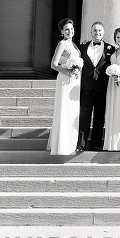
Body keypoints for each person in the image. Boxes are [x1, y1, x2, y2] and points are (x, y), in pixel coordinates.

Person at [77, 22, 114, 151]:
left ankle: (96, 144)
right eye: (94, 30)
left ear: (103, 32)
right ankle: (81, 144)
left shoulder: (111, 48)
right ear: (91, 32)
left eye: (99, 31)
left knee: (99, 117)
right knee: (84, 117)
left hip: (102, 88)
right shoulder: (82, 48)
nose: (97, 33)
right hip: (86, 88)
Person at [48, 18, 81, 155]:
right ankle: (62, 145)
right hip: (65, 80)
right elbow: (54, 64)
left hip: (75, 81)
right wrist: (68, 72)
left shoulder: (73, 45)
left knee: (72, 111)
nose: (70, 31)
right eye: (67, 29)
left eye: (71, 29)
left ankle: (71, 143)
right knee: (65, 110)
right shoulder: (62, 44)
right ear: (62, 31)